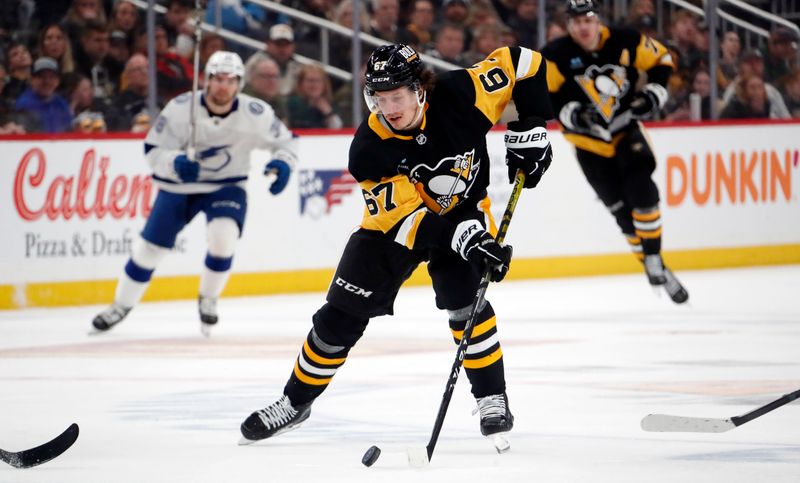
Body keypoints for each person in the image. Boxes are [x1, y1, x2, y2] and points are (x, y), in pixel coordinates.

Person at [239, 42, 554, 449]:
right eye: (379, 98)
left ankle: (491, 398)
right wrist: (468, 240)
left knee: (466, 304)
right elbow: (408, 219)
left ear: (420, 89)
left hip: (466, 212)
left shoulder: (464, 94)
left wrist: (530, 125)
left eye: (397, 96)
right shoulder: (370, 147)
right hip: (394, 229)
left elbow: (524, 62)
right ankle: (295, 402)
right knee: (339, 318)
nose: (388, 108)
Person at [91, 51, 299, 335]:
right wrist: (174, 163)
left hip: (227, 184)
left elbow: (288, 142)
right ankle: (121, 305)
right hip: (178, 187)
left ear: (239, 83)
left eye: (230, 80)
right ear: (206, 80)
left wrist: (283, 164)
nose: (223, 86)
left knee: (223, 236)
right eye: (217, 79)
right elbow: (153, 149)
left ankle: (209, 299)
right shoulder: (180, 109)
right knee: (149, 250)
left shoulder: (256, 113)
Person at [540, 0, 688, 304]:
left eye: (589, 19)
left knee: (643, 190)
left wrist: (652, 94)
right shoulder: (554, 55)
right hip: (588, 144)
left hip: (625, 131)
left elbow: (662, 60)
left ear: (598, 21)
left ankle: (653, 258)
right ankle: (656, 263)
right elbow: (542, 97)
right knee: (622, 213)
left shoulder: (626, 40)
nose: (583, 26)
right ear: (568, 24)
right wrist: (573, 114)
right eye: (577, 21)